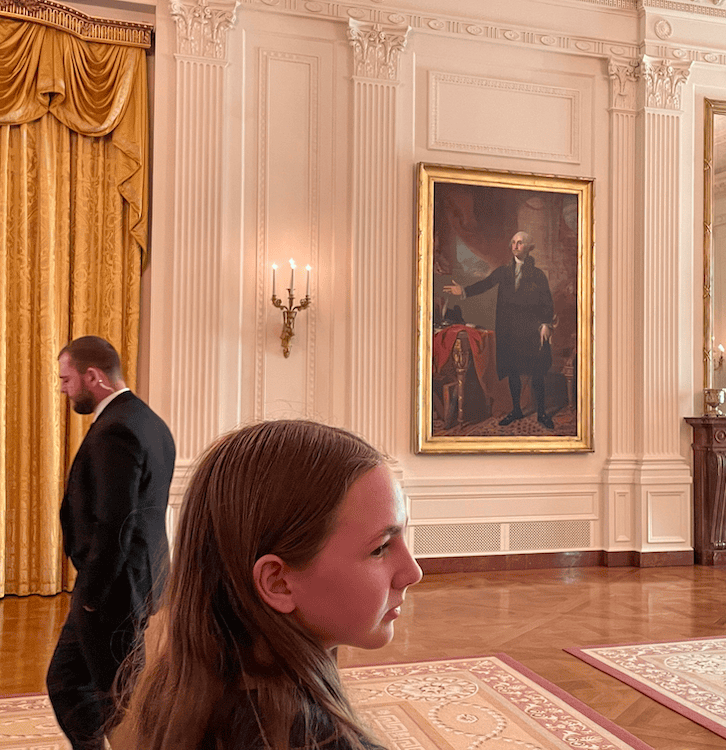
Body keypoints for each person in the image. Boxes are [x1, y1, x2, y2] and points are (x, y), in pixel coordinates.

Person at [119, 419, 423, 750]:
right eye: (380, 548)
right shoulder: (319, 740)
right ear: (278, 582)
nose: (413, 572)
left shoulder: (176, 694)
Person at [47, 336, 176, 750]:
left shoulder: (115, 430)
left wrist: (90, 596)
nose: (64, 389)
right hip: (137, 581)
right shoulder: (149, 420)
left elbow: (113, 525)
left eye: (67, 380)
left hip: (112, 591)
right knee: (72, 681)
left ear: (93, 376)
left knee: (117, 699)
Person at [444, 231, 555, 429]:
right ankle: (516, 410)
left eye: (520, 243)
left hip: (531, 330)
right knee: (513, 371)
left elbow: (547, 302)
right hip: (510, 331)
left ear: (528, 247)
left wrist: (546, 324)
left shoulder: (538, 275)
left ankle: (542, 413)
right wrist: (464, 291)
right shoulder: (503, 272)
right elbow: (485, 284)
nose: (515, 245)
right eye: (513, 242)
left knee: (536, 372)